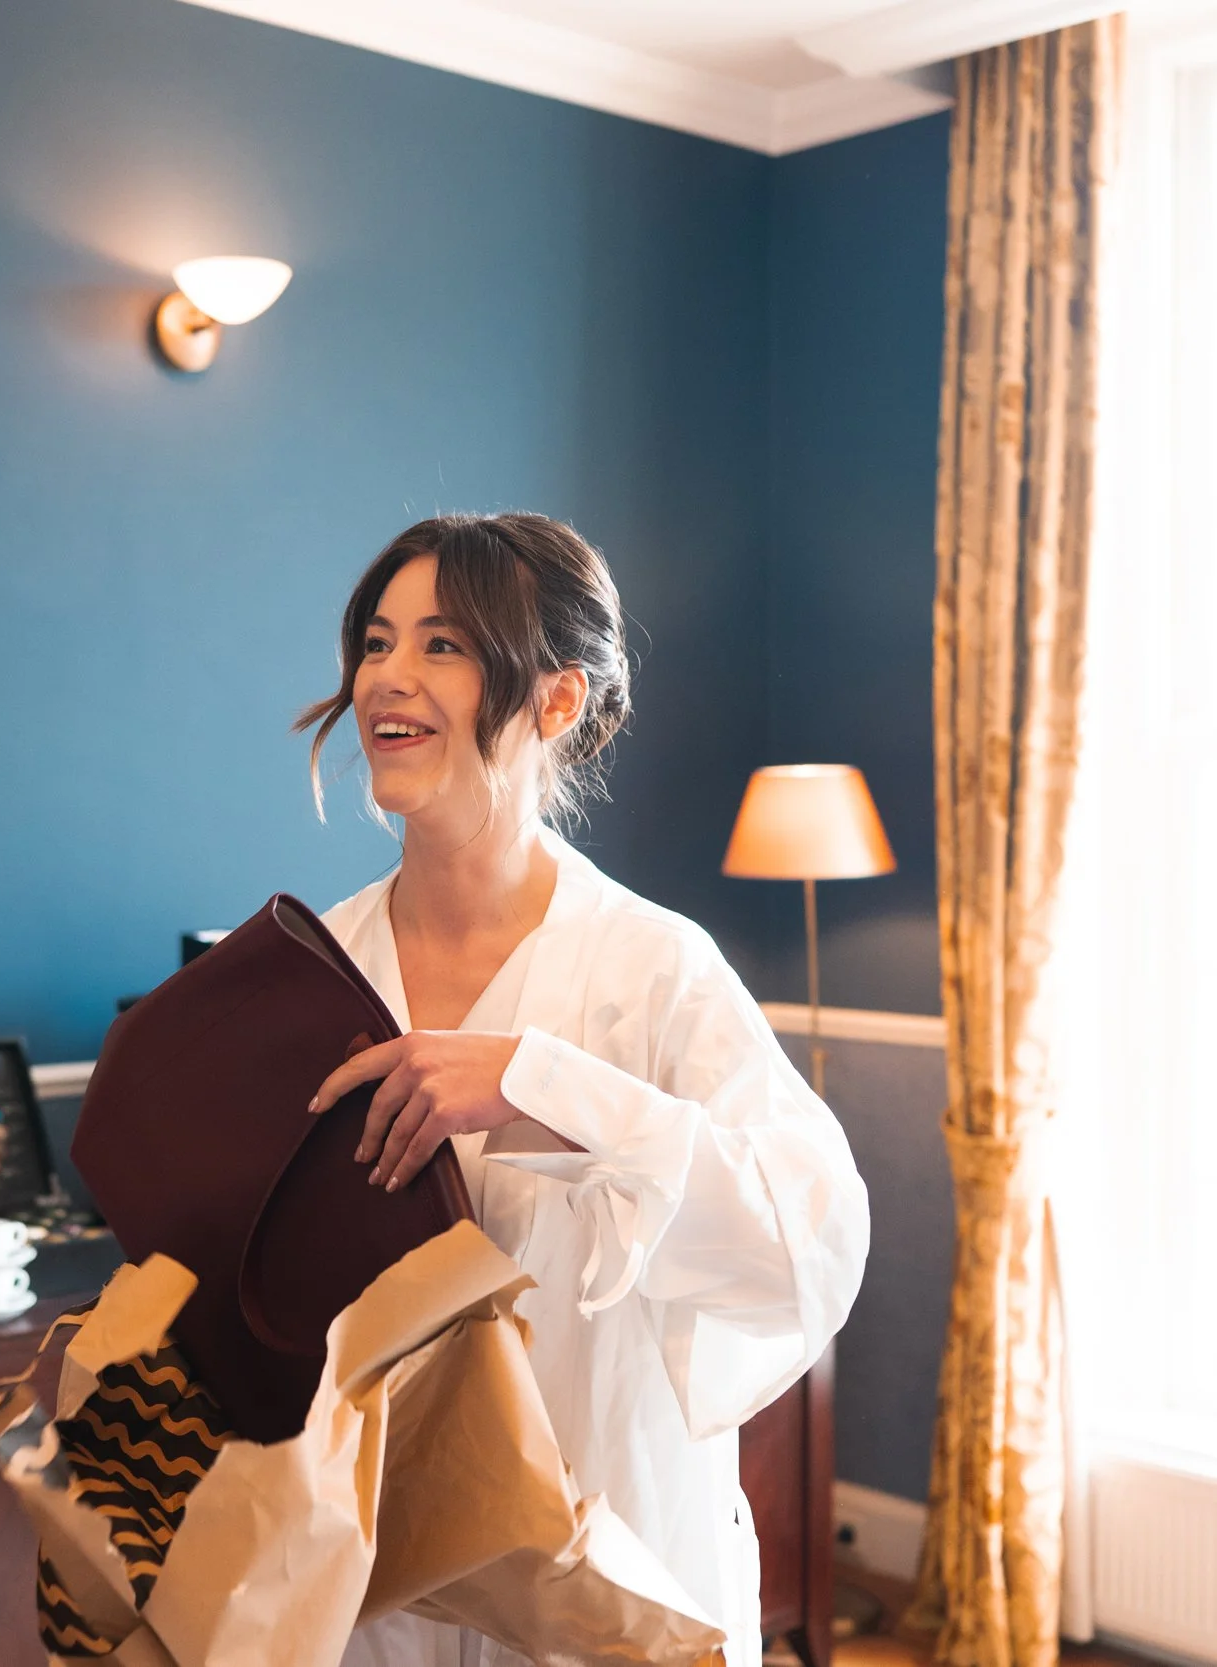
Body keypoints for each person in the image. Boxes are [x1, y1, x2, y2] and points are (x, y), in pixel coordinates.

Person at [300, 513, 871, 1667]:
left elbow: (808, 1236)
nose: (388, 678)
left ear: (555, 702)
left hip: (607, 1568)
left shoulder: (655, 968)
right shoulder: (318, 967)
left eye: (444, 644)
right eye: (374, 640)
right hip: (375, 1585)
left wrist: (546, 1088)